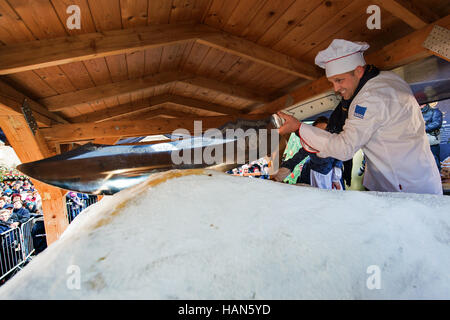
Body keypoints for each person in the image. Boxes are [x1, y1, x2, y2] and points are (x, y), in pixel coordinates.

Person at [277, 39, 442, 195]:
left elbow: (344, 148)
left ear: (358, 71)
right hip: (413, 176)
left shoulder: (369, 98)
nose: (336, 88)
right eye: (332, 82)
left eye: (339, 80)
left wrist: (299, 127)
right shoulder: (387, 79)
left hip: (404, 185)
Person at [273, 117, 344, 190]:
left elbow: (338, 160)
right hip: (312, 175)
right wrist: (278, 176)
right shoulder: (309, 146)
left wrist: (336, 179)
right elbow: (294, 160)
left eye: (324, 132)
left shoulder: (334, 146)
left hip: (330, 176)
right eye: (317, 133)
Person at [421, 103, 443, 173]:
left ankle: (437, 179)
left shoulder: (435, 111)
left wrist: (420, 128)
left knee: (434, 160)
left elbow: (437, 124)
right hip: (417, 142)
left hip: (431, 141)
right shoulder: (414, 112)